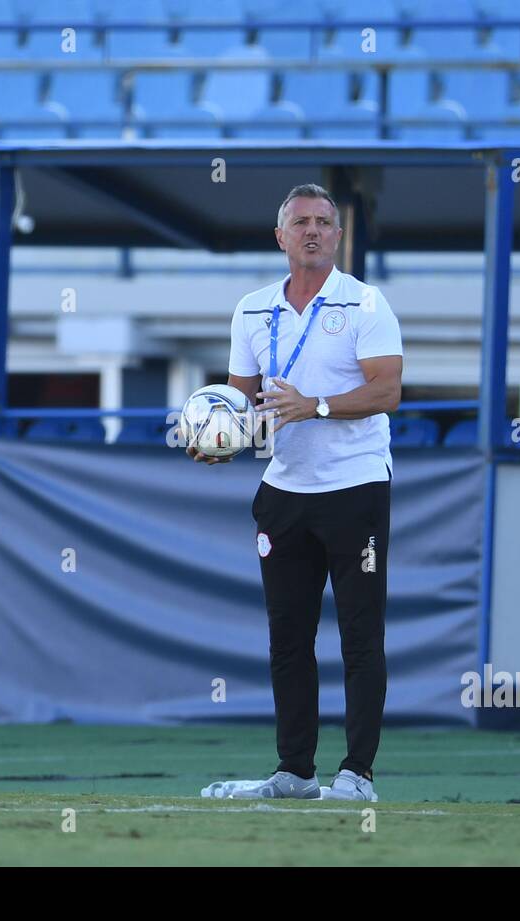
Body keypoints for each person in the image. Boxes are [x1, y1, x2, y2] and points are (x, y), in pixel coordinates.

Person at [191, 184, 403, 802]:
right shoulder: (251, 309)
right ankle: (296, 770)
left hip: (355, 485)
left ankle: (357, 773)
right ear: (280, 237)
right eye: (300, 223)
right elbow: (242, 405)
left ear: (337, 238)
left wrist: (318, 406)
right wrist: (219, 440)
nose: (312, 231)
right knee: (288, 635)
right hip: (284, 490)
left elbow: (388, 391)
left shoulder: (365, 303)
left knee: (361, 634)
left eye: (324, 223)